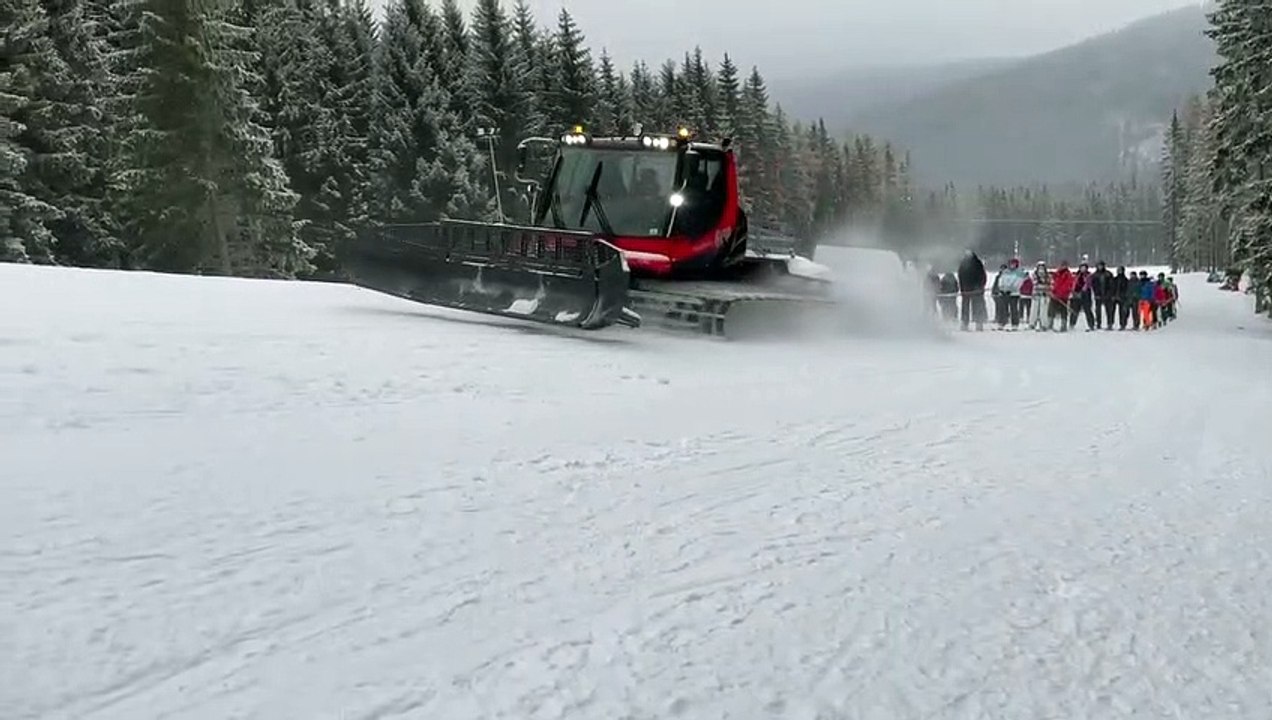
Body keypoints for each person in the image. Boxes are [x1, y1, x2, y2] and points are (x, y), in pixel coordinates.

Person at [957, 249, 988, 331]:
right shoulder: (963, 264)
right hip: (966, 289)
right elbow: (960, 276)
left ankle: (979, 323)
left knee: (977, 306)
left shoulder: (977, 264)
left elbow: (982, 276)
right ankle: (964, 323)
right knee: (965, 307)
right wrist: (962, 288)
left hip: (976, 289)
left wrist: (980, 286)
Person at [1050, 261, 1076, 331]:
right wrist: (1053, 291)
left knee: (1063, 311)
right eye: (1062, 265)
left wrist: (1060, 293)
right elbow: (1053, 283)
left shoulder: (1068, 275)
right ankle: (1050, 324)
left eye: (1064, 266)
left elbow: (1067, 285)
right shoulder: (1056, 274)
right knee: (1051, 310)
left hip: (1063, 296)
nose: (1063, 267)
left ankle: (1063, 325)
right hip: (1054, 295)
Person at [1069, 262, 1096, 331]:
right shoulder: (1076, 275)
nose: (1083, 269)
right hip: (1076, 295)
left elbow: (1089, 284)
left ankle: (1091, 324)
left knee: (1088, 310)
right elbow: (1073, 284)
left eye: (1084, 268)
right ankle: (1072, 324)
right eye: (1082, 267)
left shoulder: (1089, 275)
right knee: (1075, 310)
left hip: (1086, 295)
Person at [1090, 261, 1115, 330]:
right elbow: (1093, 286)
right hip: (1098, 295)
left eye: (1101, 265)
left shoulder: (1108, 274)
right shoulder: (1094, 275)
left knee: (1109, 311)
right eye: (1099, 266)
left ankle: (1109, 324)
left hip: (1107, 295)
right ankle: (1098, 323)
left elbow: (1112, 285)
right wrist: (1096, 293)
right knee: (1098, 311)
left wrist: (1110, 293)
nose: (1100, 267)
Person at [1029, 261, 1051, 330]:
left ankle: (1044, 324)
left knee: (1043, 311)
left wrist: (1047, 290)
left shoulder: (1048, 276)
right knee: (1034, 310)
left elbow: (1050, 284)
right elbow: (1034, 283)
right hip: (1036, 294)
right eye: (1039, 267)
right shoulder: (1034, 275)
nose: (1041, 269)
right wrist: (1039, 280)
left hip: (1045, 295)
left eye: (1042, 267)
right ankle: (1032, 323)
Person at [1110, 265, 1130, 330]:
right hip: (1114, 297)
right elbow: (1111, 288)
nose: (1119, 271)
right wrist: (1112, 295)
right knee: (1111, 311)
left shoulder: (1126, 280)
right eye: (1118, 270)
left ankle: (1123, 324)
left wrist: (1123, 296)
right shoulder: (1114, 279)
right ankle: (1110, 324)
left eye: (1120, 270)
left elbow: (1127, 289)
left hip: (1122, 298)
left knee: (1122, 312)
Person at [991, 263, 1009, 328]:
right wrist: (993, 292)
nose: (1002, 270)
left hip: (1005, 294)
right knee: (998, 306)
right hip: (997, 293)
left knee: (1004, 307)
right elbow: (995, 284)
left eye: (1004, 269)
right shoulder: (998, 276)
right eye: (1002, 269)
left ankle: (1005, 319)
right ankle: (997, 317)